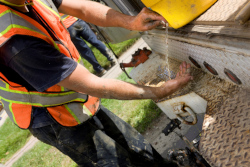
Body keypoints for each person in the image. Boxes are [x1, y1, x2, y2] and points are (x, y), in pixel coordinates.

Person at [0, 0, 193, 166]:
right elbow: (92, 84)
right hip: (52, 116)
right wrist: (158, 92)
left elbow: (82, 8)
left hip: (75, 95)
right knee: (113, 162)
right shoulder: (15, 42)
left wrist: (130, 21)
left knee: (137, 147)